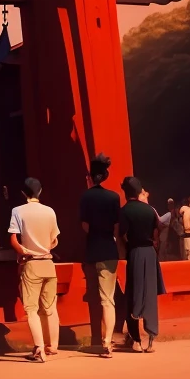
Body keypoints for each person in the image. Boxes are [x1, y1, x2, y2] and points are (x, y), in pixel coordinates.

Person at [8, 176, 60, 362]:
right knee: (50, 307)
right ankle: (52, 345)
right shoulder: (50, 211)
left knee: (31, 309)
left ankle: (39, 349)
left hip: (31, 264)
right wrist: (44, 247)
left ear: (23, 193)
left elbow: (13, 239)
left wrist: (24, 251)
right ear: (40, 192)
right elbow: (54, 240)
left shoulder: (18, 211)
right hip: (48, 263)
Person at [77, 153, 122, 358]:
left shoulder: (85, 197)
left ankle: (96, 338)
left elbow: (84, 226)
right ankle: (107, 342)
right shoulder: (114, 197)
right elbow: (116, 227)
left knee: (92, 297)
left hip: (91, 249)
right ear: (105, 175)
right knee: (108, 299)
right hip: (109, 251)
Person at [117, 176, 161, 351]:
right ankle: (151, 340)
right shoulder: (149, 210)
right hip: (150, 253)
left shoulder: (125, 211)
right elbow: (157, 231)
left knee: (134, 293)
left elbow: (122, 234)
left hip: (135, 252)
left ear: (126, 193)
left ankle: (136, 340)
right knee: (150, 293)